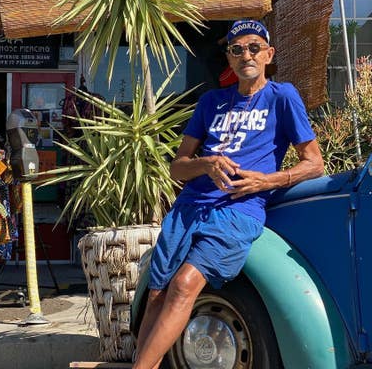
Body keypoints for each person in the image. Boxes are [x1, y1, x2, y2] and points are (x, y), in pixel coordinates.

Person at [132, 19, 324, 369]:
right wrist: (205, 163)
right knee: (156, 292)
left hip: (239, 210)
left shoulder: (282, 97)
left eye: (254, 47)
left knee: (185, 284)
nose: (245, 55)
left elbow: (314, 164)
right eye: (237, 49)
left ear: (268, 54)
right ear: (230, 59)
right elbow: (178, 167)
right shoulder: (211, 101)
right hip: (189, 207)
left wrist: (266, 182)